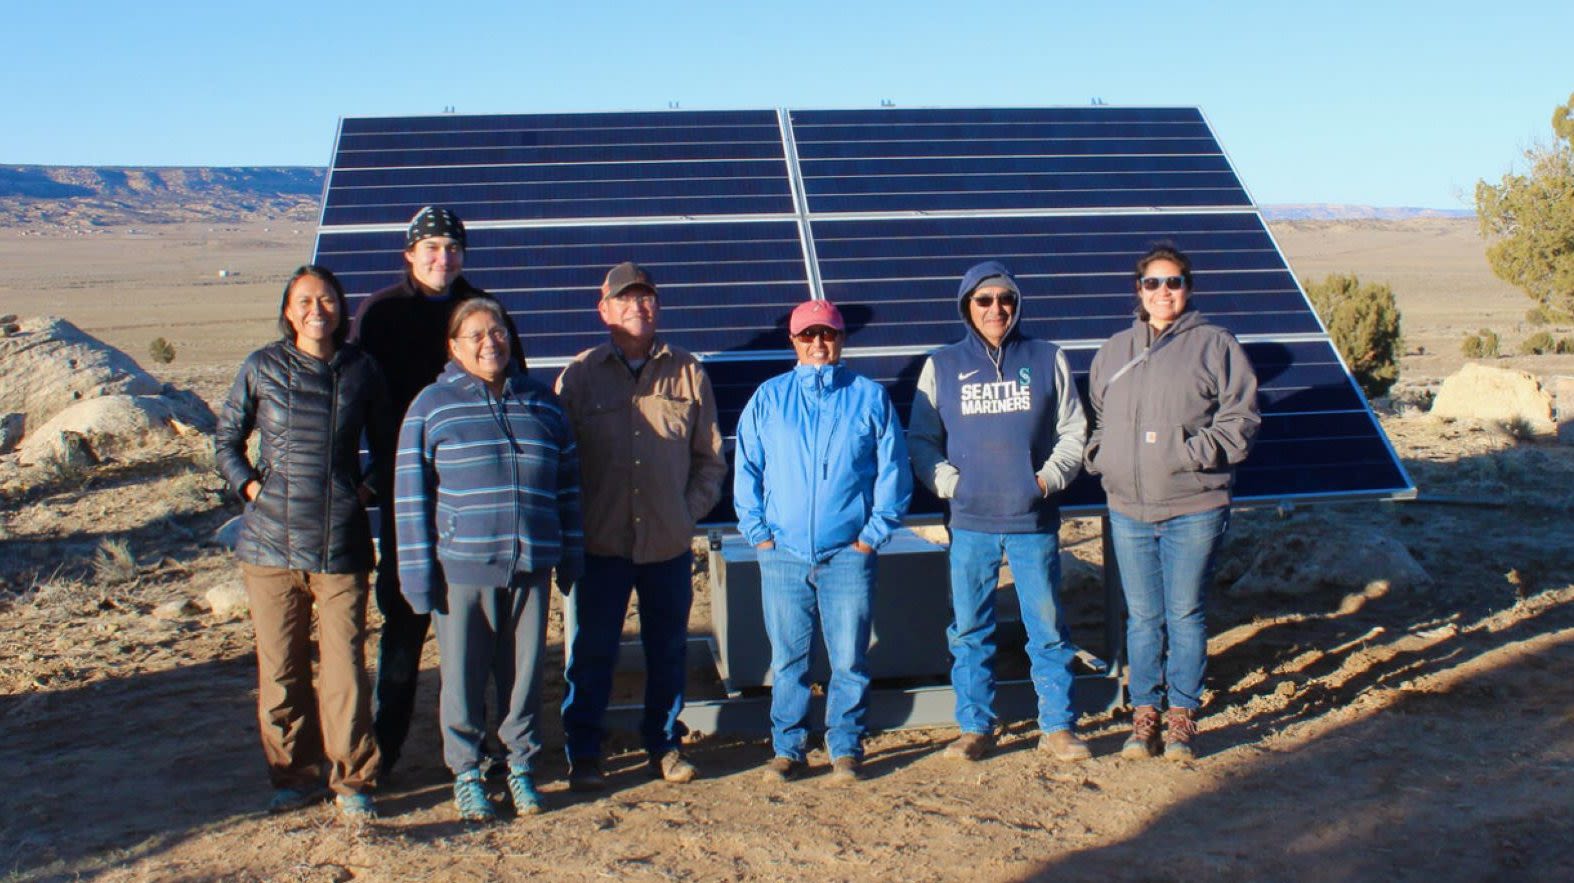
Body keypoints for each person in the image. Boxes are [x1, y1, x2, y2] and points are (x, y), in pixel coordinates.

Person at [393, 297, 583, 822]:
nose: (488, 342)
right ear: (454, 347)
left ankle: (520, 767)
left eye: (496, 331)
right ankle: (468, 772)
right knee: (462, 677)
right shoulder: (431, 406)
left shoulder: (543, 405)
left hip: (531, 566)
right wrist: (417, 576)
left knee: (523, 677)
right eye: (474, 334)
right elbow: (410, 498)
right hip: (463, 569)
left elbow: (569, 487)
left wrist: (571, 554)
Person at [215, 265, 394, 820]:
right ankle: (293, 776)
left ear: (341, 308)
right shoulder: (262, 367)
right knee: (281, 668)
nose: (317, 310)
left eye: (327, 300)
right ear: (288, 310)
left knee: (344, 666)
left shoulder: (362, 370)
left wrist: (360, 490)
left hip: (340, 544)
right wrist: (248, 485)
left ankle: (353, 780)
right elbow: (226, 438)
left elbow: (389, 446)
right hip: (269, 546)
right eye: (304, 301)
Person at [352, 206, 525, 776]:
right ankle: (386, 749)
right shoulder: (381, 314)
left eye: (452, 248)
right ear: (409, 253)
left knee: (482, 633)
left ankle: (489, 751)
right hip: (407, 494)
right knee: (404, 627)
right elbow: (358, 396)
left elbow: (514, 389)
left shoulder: (482, 311)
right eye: (431, 247)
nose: (442, 258)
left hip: (474, 497)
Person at [907, 261, 1090, 763]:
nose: (995, 309)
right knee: (970, 630)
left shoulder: (1046, 357)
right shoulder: (941, 365)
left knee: (1047, 627)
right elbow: (922, 440)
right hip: (969, 524)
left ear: (1016, 303)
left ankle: (1058, 726)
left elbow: (1073, 430)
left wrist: (1046, 480)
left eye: (1004, 299)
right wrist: (951, 486)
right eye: (983, 300)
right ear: (967, 306)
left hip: (1033, 520)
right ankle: (975, 727)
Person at [1084, 243, 1260, 761]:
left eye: (1175, 282)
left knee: (1183, 613)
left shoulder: (1215, 345)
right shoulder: (1114, 350)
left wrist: (1191, 454)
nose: (1164, 292)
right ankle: (1144, 716)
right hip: (1128, 507)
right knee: (1141, 617)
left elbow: (1241, 420)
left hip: (1194, 504)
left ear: (1189, 287)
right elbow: (1097, 415)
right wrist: (1104, 455)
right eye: (1154, 283)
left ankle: (1181, 715)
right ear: (1138, 291)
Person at [556, 262, 726, 790]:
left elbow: (711, 459)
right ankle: (584, 752)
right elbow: (561, 461)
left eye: (646, 298)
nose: (638, 307)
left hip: (667, 545)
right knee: (592, 653)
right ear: (603, 309)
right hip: (601, 544)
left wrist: (684, 511)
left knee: (667, 650)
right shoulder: (579, 376)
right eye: (625, 299)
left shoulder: (688, 371)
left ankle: (664, 744)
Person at [733, 299, 912, 784]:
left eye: (827, 334)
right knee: (788, 659)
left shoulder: (869, 398)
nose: (818, 343)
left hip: (848, 555)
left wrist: (871, 538)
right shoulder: (768, 399)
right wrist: (760, 537)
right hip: (783, 555)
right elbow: (746, 468)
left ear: (841, 339)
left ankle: (845, 747)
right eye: (807, 335)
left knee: (849, 658)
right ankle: (788, 748)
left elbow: (893, 473)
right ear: (793, 341)